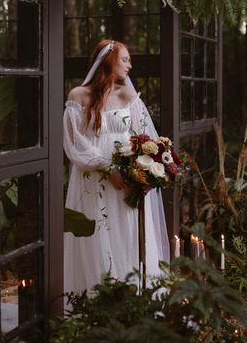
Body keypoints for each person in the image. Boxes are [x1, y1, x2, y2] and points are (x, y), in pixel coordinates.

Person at [63, 39, 170, 297]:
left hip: (125, 181)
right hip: (94, 181)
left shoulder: (128, 97)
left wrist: (142, 170)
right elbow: (74, 142)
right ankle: (96, 300)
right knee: (97, 238)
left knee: (128, 234)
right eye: (125, 59)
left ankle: (135, 296)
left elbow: (146, 138)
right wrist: (106, 166)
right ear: (109, 61)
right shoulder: (78, 96)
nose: (129, 65)